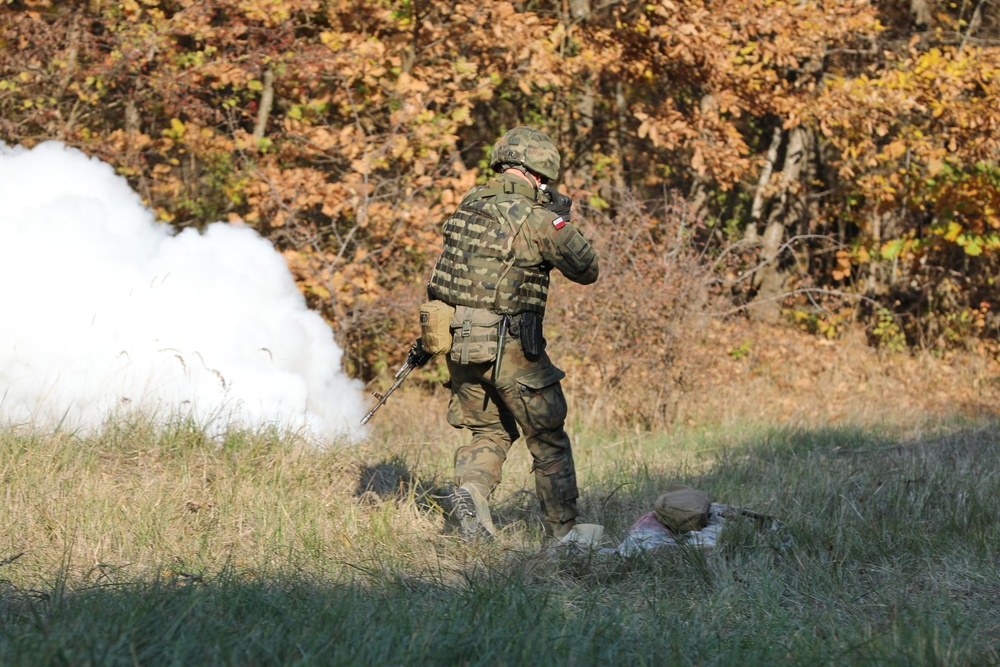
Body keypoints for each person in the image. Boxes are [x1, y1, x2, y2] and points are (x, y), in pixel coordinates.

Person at [426, 126, 599, 541]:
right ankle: (564, 534)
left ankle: (471, 493)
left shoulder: (467, 208)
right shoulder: (539, 220)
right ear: (540, 173)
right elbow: (586, 269)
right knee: (547, 438)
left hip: (460, 342)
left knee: (488, 431)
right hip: (513, 345)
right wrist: (561, 218)